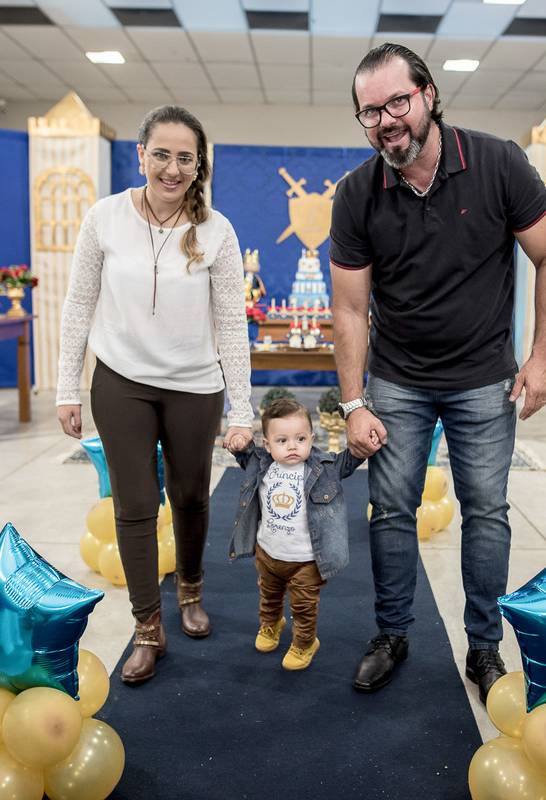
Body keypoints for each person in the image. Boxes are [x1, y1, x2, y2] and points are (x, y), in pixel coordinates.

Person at [328, 43, 546, 702]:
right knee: (391, 512)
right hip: (399, 380)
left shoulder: (498, 163)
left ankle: (484, 647)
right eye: (369, 111)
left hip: (484, 379)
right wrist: (355, 403)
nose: (385, 120)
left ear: (429, 95)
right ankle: (393, 635)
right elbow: (349, 310)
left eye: (396, 102)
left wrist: (541, 357)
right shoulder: (356, 195)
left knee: (487, 513)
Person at [56, 105, 255, 686]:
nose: (172, 168)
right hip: (120, 381)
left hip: (195, 384)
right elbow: (77, 306)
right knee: (135, 503)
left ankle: (189, 591)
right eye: (161, 154)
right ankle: (148, 627)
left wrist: (241, 408)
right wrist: (68, 386)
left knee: (191, 496)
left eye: (185, 158)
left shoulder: (216, 230)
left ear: (199, 165)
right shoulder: (104, 217)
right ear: (141, 155)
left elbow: (230, 325)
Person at [228, 398, 365, 670]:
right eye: (282, 441)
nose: (292, 446)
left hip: (307, 560)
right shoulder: (261, 465)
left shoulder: (324, 467)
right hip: (268, 554)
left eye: (300, 438)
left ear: (312, 439)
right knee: (269, 595)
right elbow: (243, 452)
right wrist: (237, 443)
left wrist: (364, 445)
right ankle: (270, 625)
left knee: (303, 605)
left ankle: (304, 643)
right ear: (267, 445)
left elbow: (350, 460)